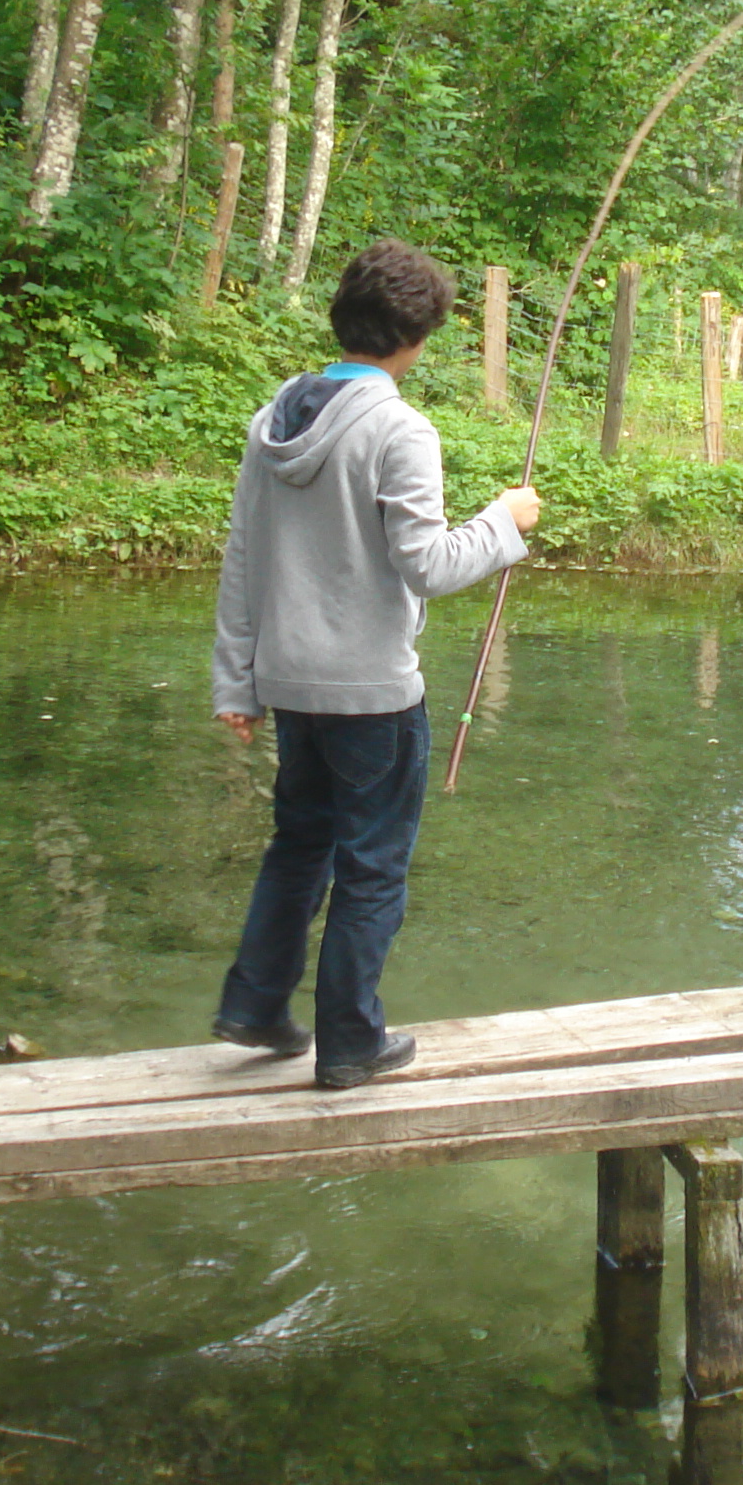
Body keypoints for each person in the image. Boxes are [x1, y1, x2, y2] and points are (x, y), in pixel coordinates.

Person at [208, 239, 542, 1089]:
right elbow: (428, 565)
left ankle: (254, 1006)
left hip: (289, 686)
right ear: (417, 337)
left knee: (299, 845)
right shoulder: (399, 426)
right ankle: (351, 1042)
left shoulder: (278, 411)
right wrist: (506, 522)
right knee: (371, 867)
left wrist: (236, 682)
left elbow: (242, 555)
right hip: (374, 697)